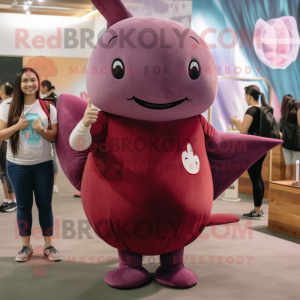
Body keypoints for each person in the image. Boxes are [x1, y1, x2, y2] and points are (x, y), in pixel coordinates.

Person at [0, 68, 61, 262]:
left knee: (45, 205)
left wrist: (42, 129)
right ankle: (25, 248)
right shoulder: (8, 106)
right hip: (17, 165)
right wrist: (17, 127)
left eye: (33, 80)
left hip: (43, 164)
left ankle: (49, 246)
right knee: (23, 206)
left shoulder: (48, 107)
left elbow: (54, 136)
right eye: (25, 80)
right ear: (19, 83)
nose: (29, 84)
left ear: (38, 82)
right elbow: (1, 135)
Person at [230, 85, 270, 220]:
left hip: (253, 148)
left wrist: (235, 121)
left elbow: (243, 131)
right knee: (258, 177)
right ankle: (259, 208)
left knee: (255, 178)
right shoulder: (264, 110)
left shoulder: (251, 111)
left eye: (245, 97)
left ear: (248, 96)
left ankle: (257, 210)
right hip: (263, 148)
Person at [0, 82, 16, 212]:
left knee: (5, 172)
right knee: (4, 172)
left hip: (4, 142)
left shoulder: (5, 106)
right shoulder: (13, 104)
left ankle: (11, 199)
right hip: (9, 142)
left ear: (1, 92)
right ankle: (8, 199)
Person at [40, 80, 59, 193]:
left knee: (51, 157)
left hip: (50, 131)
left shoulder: (51, 99)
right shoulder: (55, 97)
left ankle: (52, 185)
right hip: (48, 131)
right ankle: (52, 185)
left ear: (45, 86)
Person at [279, 99, 300, 180]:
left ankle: (288, 186)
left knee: (288, 166)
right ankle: (296, 185)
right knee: (297, 167)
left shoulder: (284, 118)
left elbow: (280, 131)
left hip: (286, 146)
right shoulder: (298, 118)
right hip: (297, 146)